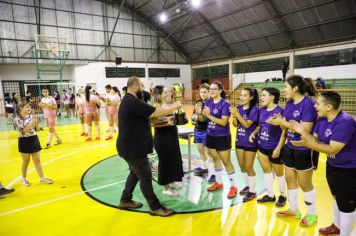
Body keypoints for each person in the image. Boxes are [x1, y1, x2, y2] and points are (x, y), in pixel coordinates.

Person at [290, 91, 356, 236]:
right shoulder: (322, 119)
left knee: (347, 205)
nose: (315, 106)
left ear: (329, 107)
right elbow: (316, 141)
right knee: (336, 197)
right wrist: (303, 132)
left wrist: (307, 144)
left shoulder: (345, 122)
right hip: (333, 166)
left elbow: (333, 148)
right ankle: (337, 227)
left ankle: (346, 233)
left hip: (349, 170)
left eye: (318, 103)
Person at [117, 76, 181, 217]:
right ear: (135, 86)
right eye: (141, 85)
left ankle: (125, 199)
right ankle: (155, 206)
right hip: (132, 148)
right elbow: (156, 112)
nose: (143, 88)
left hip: (129, 146)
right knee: (145, 176)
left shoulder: (131, 101)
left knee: (135, 173)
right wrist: (175, 105)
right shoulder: (132, 101)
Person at [268, 75, 319, 227]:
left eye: (286, 87)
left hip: (304, 148)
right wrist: (279, 122)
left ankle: (312, 213)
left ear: (295, 88)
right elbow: (285, 126)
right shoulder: (289, 103)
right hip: (290, 146)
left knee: (305, 184)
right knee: (290, 179)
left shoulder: (309, 104)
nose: (284, 90)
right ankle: (294, 209)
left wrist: (282, 122)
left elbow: (305, 130)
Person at [249, 87, 287, 207]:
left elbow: (284, 132)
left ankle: (282, 195)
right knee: (266, 171)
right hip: (261, 146)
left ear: (272, 97)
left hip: (274, 147)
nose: (261, 98)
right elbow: (260, 125)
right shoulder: (262, 110)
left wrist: (278, 148)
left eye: (264, 95)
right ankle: (270, 195)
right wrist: (254, 133)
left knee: (280, 174)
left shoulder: (281, 111)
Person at [203, 81, 237, 198]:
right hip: (210, 135)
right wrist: (201, 114)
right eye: (210, 89)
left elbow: (223, 122)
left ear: (220, 91)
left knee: (226, 161)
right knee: (215, 159)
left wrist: (209, 116)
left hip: (222, 136)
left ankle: (233, 186)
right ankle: (219, 183)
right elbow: (205, 118)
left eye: (214, 89)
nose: (211, 91)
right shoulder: (208, 102)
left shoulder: (225, 104)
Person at [151, 85, 184, 196]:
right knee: (165, 162)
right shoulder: (156, 105)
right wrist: (174, 107)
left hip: (171, 136)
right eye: (165, 92)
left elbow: (166, 118)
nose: (167, 94)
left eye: (167, 92)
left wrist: (172, 119)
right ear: (159, 94)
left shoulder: (166, 104)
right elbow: (154, 120)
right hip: (162, 137)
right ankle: (165, 188)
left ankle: (170, 182)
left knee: (173, 160)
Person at [230, 87, 259, 202]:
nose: (242, 97)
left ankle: (253, 191)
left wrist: (237, 114)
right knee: (242, 166)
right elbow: (235, 125)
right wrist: (234, 116)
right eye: (241, 95)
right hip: (239, 140)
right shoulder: (238, 108)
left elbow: (247, 125)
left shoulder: (254, 109)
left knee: (249, 167)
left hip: (250, 142)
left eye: (245, 95)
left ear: (251, 97)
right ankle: (248, 186)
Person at [14, 102, 53, 187]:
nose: (29, 109)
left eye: (30, 107)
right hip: (24, 140)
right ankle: (24, 179)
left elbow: (37, 129)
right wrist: (32, 123)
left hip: (34, 139)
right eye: (27, 107)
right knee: (26, 161)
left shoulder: (31, 116)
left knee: (37, 160)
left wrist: (37, 123)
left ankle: (42, 178)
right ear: (21, 108)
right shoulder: (17, 119)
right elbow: (23, 131)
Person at [192, 83, 215, 181]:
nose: (202, 94)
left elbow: (206, 119)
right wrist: (193, 118)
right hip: (197, 130)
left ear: (209, 92)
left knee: (210, 153)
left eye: (205, 92)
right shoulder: (198, 103)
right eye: (201, 92)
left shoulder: (212, 103)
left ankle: (213, 173)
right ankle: (205, 169)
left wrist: (199, 116)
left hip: (207, 131)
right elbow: (194, 116)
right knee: (201, 152)